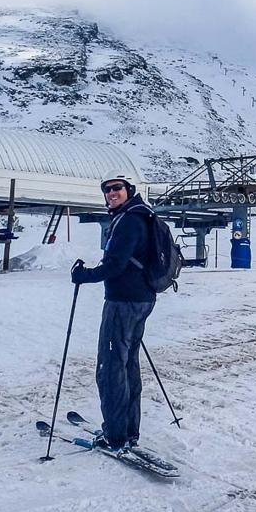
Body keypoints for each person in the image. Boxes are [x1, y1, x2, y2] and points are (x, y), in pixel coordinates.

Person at [70, 171, 155, 454]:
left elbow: (115, 265)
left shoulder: (129, 221)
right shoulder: (141, 215)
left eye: (116, 188)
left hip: (123, 302)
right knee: (127, 364)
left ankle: (116, 435)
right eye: (106, 190)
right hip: (141, 300)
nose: (111, 193)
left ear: (129, 190)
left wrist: (85, 275)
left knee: (110, 367)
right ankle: (128, 430)